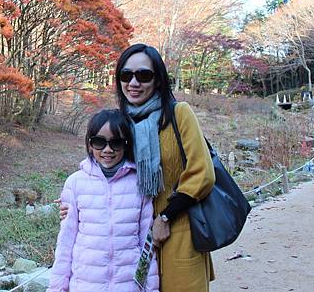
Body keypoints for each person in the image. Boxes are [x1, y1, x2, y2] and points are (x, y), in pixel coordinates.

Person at [59, 44, 216, 292]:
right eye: (126, 75)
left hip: (178, 231)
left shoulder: (179, 114)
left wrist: (165, 216)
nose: (134, 82)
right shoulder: (122, 122)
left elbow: (202, 173)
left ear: (158, 80)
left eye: (143, 75)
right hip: (131, 241)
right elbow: (108, 168)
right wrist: (78, 206)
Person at [48, 108, 158, 292]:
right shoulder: (76, 183)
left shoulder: (140, 183)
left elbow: (147, 244)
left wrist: (152, 289)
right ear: (90, 144)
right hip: (85, 284)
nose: (108, 149)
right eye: (99, 142)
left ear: (126, 144)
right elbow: (66, 242)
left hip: (127, 285)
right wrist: (56, 288)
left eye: (116, 142)